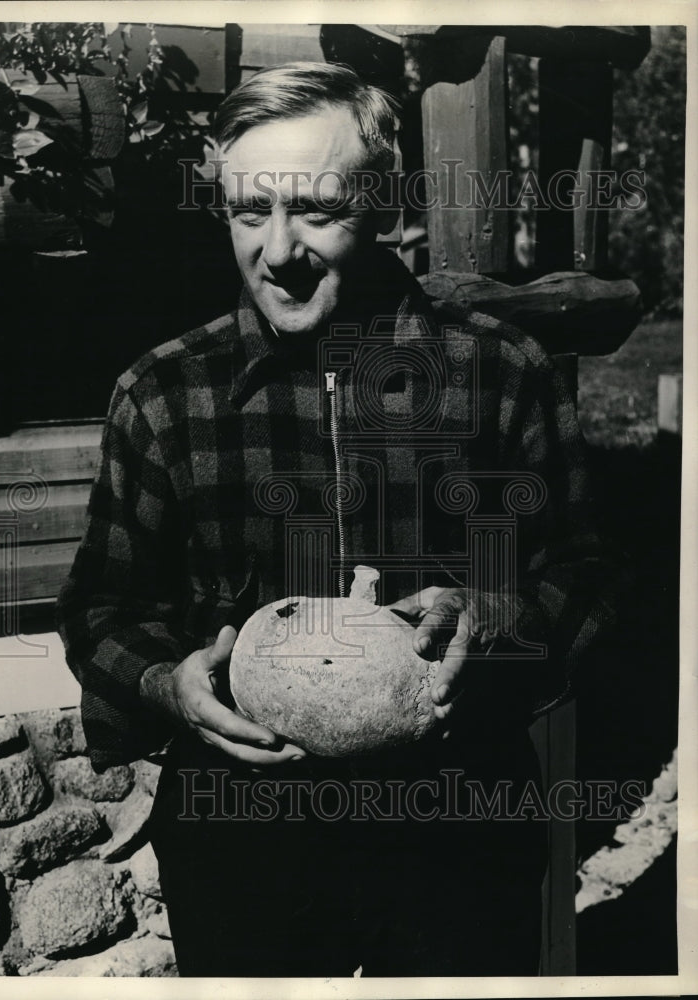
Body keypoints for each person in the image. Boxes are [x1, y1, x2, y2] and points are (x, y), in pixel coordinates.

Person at [57, 61, 619, 977]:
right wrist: (171, 685)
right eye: (249, 213)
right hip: (242, 836)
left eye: (317, 210)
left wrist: (498, 617)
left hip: (458, 826)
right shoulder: (163, 394)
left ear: (390, 208)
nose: (278, 251)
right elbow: (104, 610)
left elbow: (587, 574)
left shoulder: (502, 372)